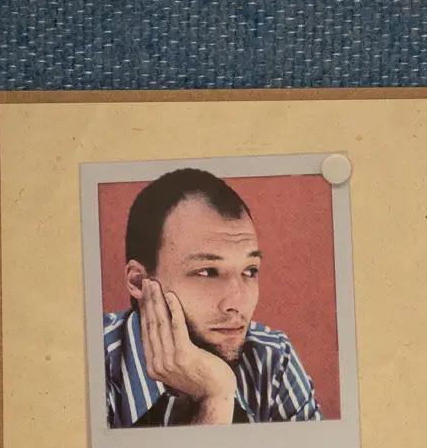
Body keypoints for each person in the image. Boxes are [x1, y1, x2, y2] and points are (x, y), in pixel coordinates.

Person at [103, 168, 322, 428]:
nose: (237, 303)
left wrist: (218, 393)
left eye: (250, 271)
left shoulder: (273, 360)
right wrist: (214, 400)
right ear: (139, 282)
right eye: (207, 272)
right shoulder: (89, 364)